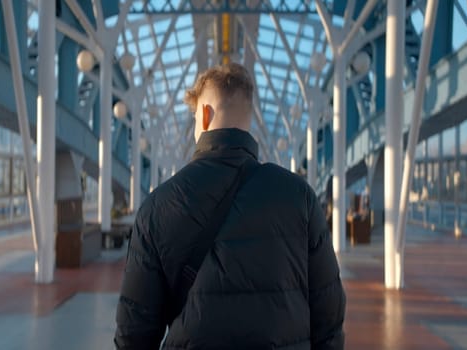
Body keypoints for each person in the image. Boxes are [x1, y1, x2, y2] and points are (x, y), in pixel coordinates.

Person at [114, 63, 345, 349]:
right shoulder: (300, 197)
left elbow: (134, 331)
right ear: (248, 118)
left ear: (206, 115)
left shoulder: (158, 206)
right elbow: (329, 315)